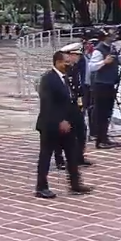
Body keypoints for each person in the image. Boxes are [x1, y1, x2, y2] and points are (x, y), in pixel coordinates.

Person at [34, 50, 93, 199]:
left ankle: (75, 184)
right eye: (66, 62)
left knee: (72, 154)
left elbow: (69, 101)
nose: (69, 65)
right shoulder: (48, 79)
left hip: (67, 125)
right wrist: (60, 120)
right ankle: (41, 187)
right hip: (50, 124)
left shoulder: (66, 78)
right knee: (46, 156)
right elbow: (48, 104)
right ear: (58, 62)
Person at [54, 42, 91, 170]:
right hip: (64, 105)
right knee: (62, 132)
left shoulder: (76, 68)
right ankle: (59, 159)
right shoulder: (62, 70)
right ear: (68, 55)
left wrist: (81, 103)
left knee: (81, 130)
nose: (78, 58)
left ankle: (79, 156)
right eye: (76, 55)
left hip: (75, 104)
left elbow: (78, 87)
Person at [87, 30, 119, 149]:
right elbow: (91, 67)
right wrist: (104, 62)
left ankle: (104, 136)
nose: (114, 37)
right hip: (101, 84)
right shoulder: (98, 50)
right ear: (105, 37)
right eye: (112, 35)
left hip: (110, 83)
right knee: (101, 112)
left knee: (108, 112)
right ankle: (99, 139)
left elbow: (119, 61)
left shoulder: (113, 48)